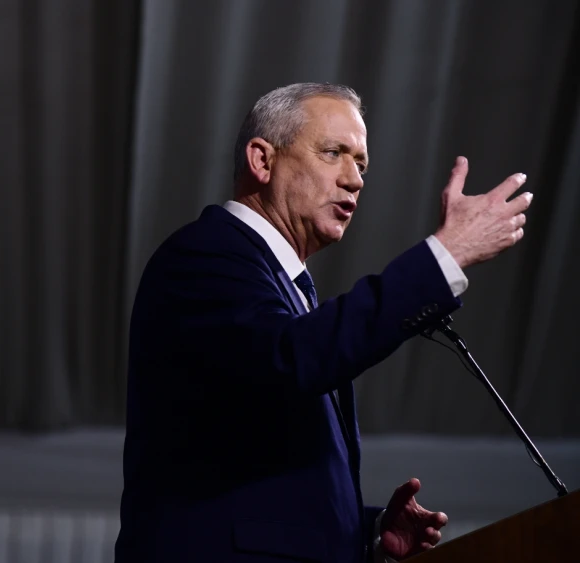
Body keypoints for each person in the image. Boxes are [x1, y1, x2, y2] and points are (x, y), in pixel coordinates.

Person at [114, 83, 532, 563]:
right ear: (262, 160)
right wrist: (446, 256)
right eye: (334, 153)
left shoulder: (286, 287)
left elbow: (261, 466)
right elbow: (296, 358)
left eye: (361, 165)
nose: (354, 180)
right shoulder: (204, 255)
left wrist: (367, 532)